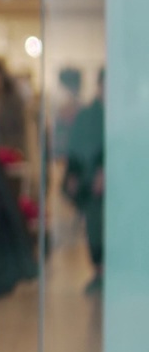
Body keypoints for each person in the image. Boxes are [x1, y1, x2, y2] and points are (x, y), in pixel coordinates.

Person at [65, 67, 105, 294]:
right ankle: (99, 271)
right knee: (94, 228)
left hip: (115, 187)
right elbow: (76, 147)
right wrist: (74, 173)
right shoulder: (88, 116)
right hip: (91, 187)